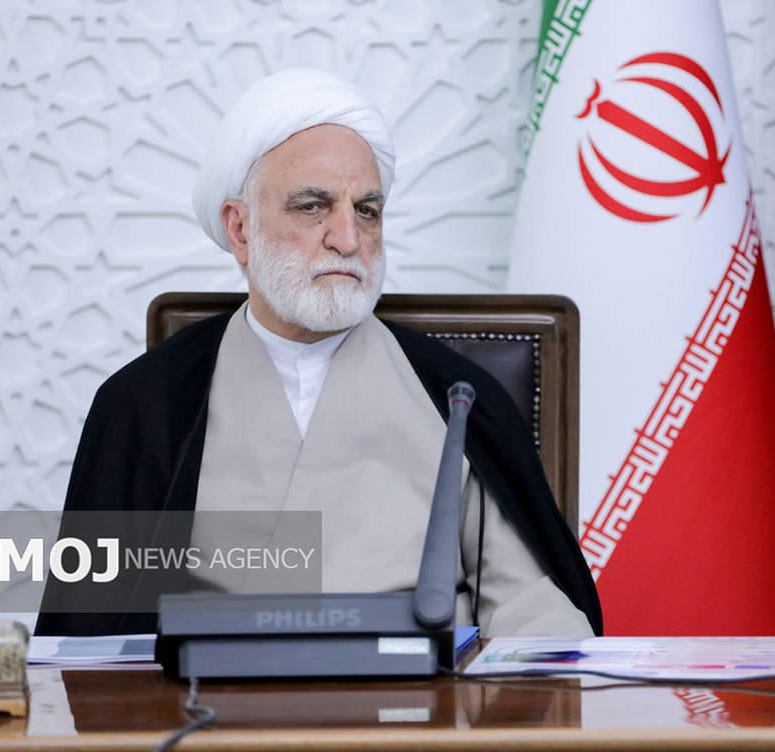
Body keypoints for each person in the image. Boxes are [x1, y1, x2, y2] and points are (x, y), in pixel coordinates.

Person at [34, 69, 601, 638]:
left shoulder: (457, 398)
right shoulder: (144, 403)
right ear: (240, 230)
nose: (348, 239)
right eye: (312, 206)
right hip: (211, 692)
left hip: (418, 692)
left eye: (367, 210)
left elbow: (531, 612)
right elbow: (91, 645)